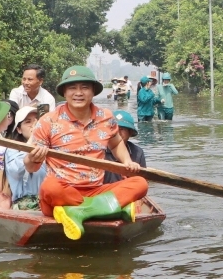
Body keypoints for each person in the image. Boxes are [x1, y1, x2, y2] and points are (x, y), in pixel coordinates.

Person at [25, 65, 148, 240]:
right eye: (72, 88)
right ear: (65, 92)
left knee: (140, 183)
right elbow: (30, 168)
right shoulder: (48, 121)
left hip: (96, 191)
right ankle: (109, 209)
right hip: (63, 193)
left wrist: (127, 162)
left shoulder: (105, 117)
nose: (78, 93)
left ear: (93, 91)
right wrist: (33, 158)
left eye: (84, 87)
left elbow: (116, 143)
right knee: (49, 187)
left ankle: (80, 212)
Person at [4, 106, 47, 210]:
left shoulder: (50, 147)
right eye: (28, 122)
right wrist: (34, 137)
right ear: (19, 129)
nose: (34, 125)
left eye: (37, 121)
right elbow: (16, 170)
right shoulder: (12, 149)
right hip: (25, 204)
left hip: (48, 202)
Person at [104, 110, 146, 184]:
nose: (117, 133)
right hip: (104, 191)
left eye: (121, 129)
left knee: (142, 183)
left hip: (126, 190)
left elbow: (142, 178)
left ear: (130, 132)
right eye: (115, 129)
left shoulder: (137, 152)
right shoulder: (100, 150)